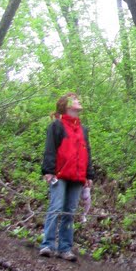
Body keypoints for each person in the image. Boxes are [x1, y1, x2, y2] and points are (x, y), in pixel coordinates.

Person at [39, 93, 94, 261]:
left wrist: (89, 175)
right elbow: (50, 149)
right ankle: (47, 244)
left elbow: (87, 152)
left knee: (70, 212)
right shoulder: (56, 126)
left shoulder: (83, 129)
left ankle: (65, 248)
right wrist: (48, 171)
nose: (79, 101)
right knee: (56, 208)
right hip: (59, 174)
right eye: (75, 99)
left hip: (78, 176)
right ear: (67, 105)